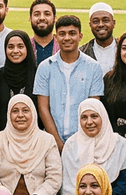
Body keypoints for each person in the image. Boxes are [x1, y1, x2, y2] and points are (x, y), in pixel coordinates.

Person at [0, 95, 63, 195]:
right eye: (15, 111)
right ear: (9, 114)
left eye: (25, 110)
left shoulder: (47, 140)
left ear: (33, 113)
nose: (20, 115)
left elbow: (54, 178)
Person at [35, 15, 105, 149]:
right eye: (62, 34)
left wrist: (78, 143)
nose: (67, 38)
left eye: (72, 33)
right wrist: (57, 142)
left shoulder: (93, 67)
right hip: (51, 142)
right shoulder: (45, 67)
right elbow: (43, 108)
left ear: (80, 36)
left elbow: (93, 108)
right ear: (56, 37)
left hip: (84, 141)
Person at [60, 99, 126, 195]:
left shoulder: (119, 143)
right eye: (84, 117)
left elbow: (125, 182)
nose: (89, 122)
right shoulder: (71, 145)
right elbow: (68, 188)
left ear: (103, 117)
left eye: (94, 116)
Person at [0, 30, 36, 138]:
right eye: (10, 47)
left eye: (20, 46)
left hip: (33, 138)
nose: (15, 51)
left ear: (27, 48)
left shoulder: (37, 75)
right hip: (2, 139)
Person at [80, 3, 118, 73]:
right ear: (90, 25)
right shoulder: (82, 53)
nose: (101, 25)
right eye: (95, 21)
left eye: (105, 20)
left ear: (113, 23)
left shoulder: (125, 49)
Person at [28, 0, 59, 65]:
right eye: (37, 14)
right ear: (30, 18)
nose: (42, 18)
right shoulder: (24, 47)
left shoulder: (63, 48)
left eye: (47, 14)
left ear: (55, 18)